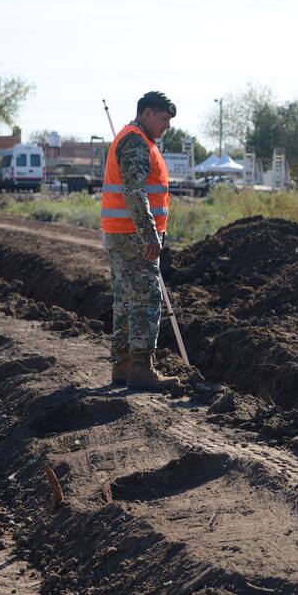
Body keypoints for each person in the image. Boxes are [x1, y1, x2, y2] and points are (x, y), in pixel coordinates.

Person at [101, 91, 180, 391]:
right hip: (134, 235)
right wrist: (150, 234)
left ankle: (122, 367)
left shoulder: (134, 138)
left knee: (124, 300)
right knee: (146, 299)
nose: (167, 126)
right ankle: (141, 368)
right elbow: (136, 192)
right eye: (164, 119)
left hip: (121, 232)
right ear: (147, 113)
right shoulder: (135, 141)